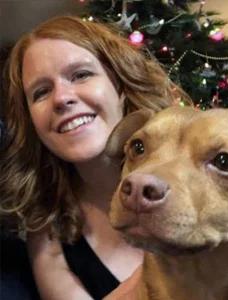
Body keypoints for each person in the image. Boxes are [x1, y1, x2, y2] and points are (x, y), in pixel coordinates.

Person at [0, 15, 190, 300]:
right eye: (41, 92)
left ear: (120, 87)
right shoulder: (50, 234)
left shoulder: (217, 163)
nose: (62, 98)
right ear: (31, 121)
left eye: (80, 75)